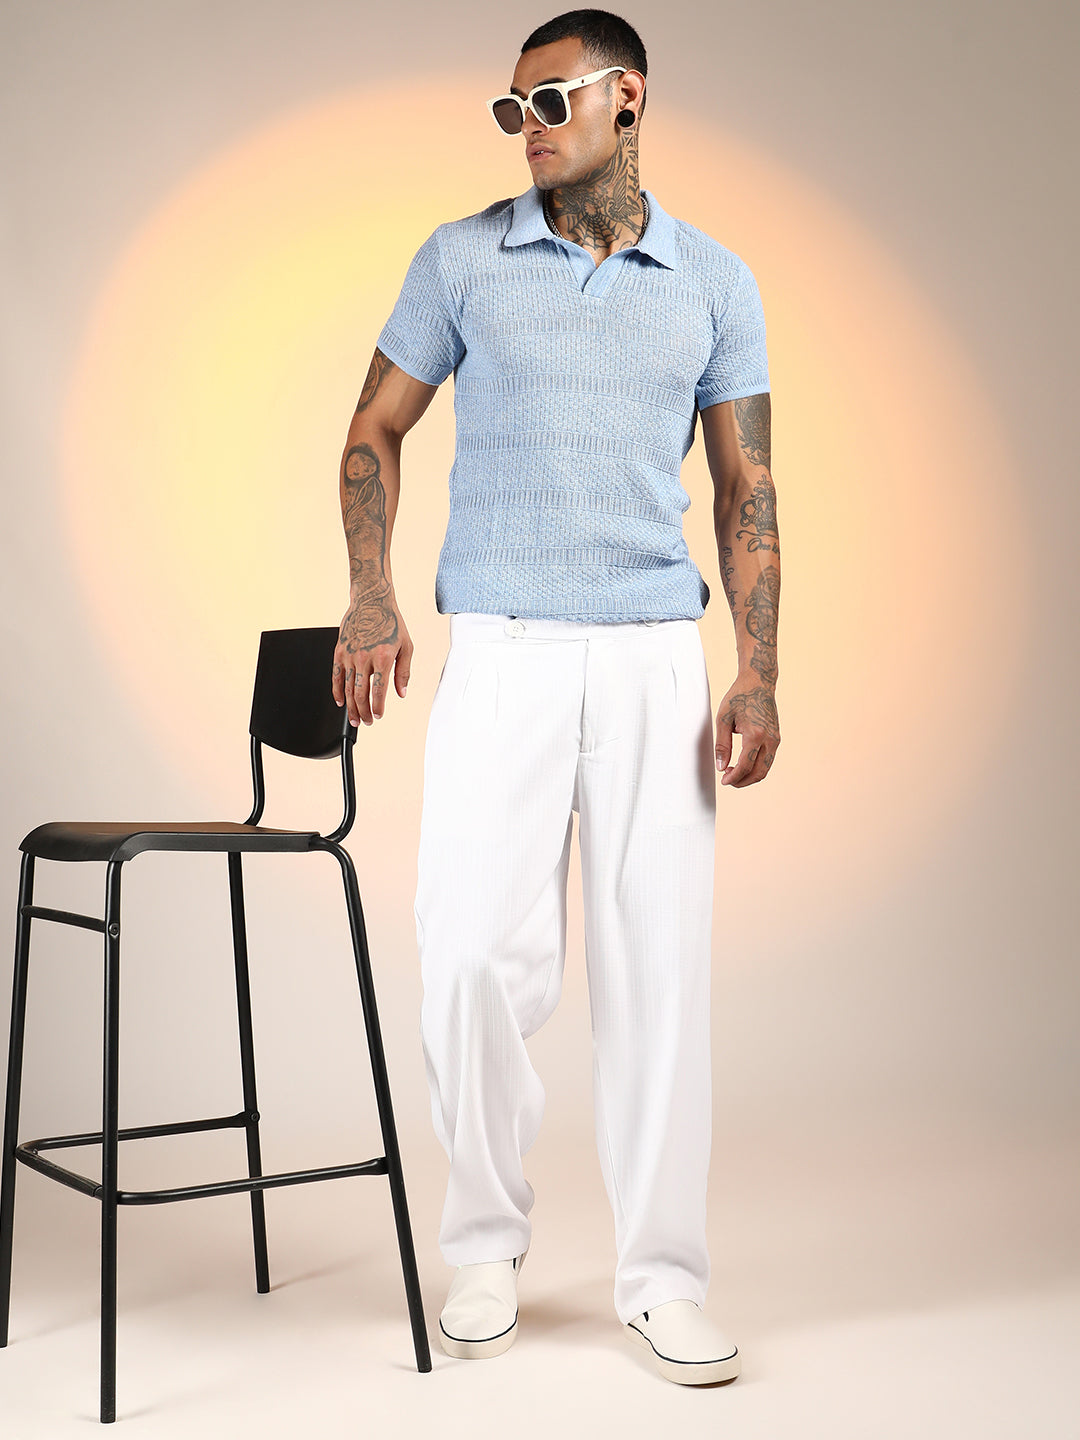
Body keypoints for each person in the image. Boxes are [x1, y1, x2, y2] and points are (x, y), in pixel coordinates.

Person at [331, 7, 781, 1388]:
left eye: (546, 102)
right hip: (504, 646)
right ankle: (484, 1242)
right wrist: (371, 591)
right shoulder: (462, 257)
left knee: (660, 976)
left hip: (653, 658)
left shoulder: (714, 282)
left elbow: (748, 489)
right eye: (508, 110)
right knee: (469, 951)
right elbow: (374, 428)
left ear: (624, 96)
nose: (522, 129)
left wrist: (760, 666)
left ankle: (664, 1279)